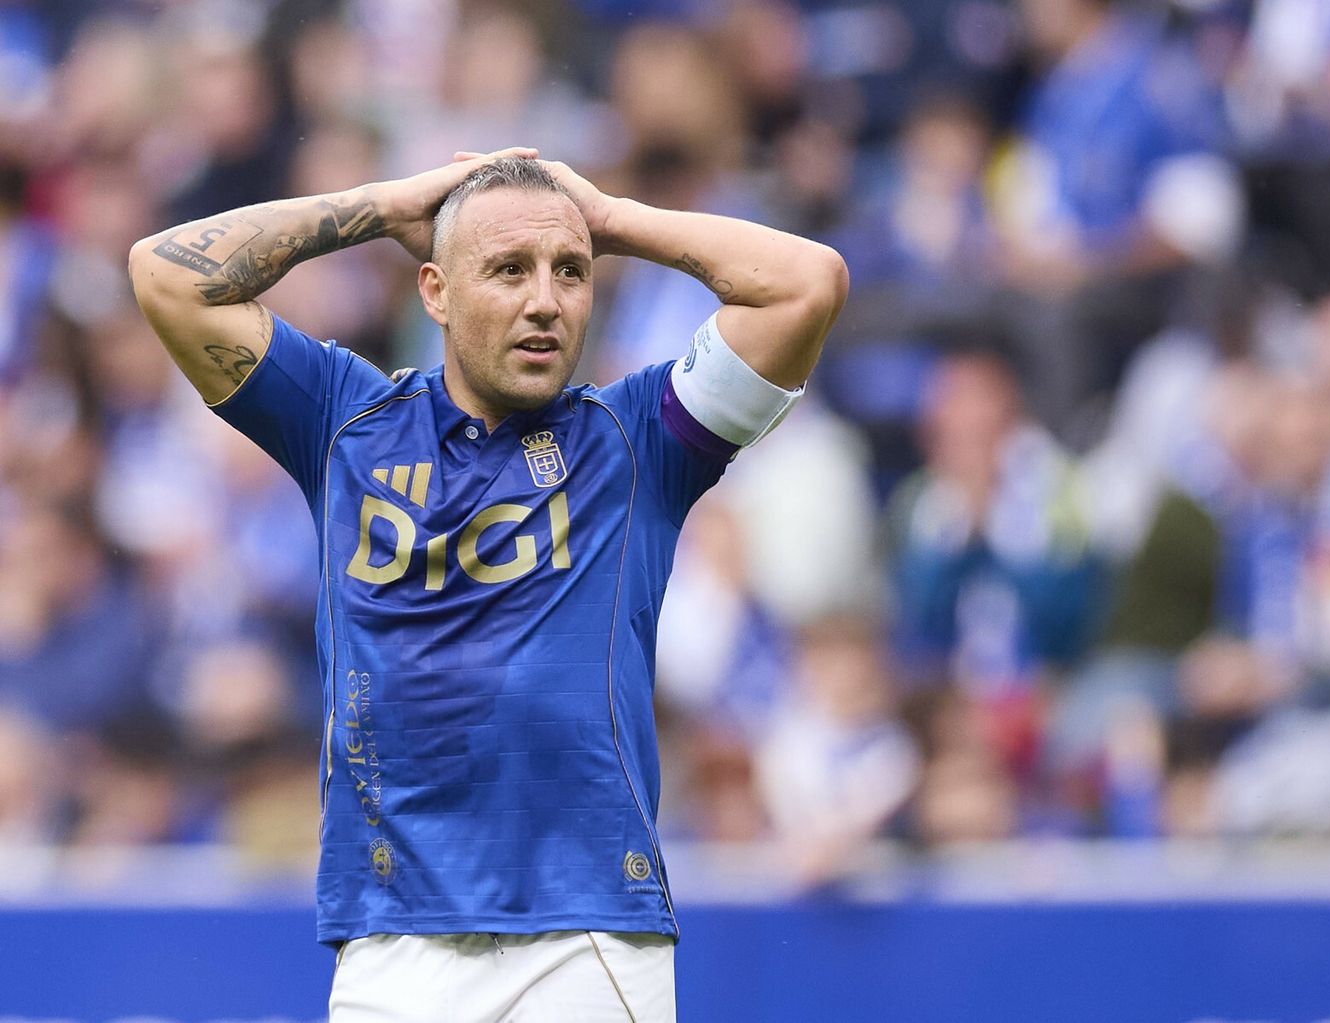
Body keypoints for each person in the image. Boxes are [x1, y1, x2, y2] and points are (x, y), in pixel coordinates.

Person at [127, 149, 847, 1020]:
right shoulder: (342, 421)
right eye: (509, 269)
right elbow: (166, 274)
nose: (545, 300)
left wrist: (612, 218)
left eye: (570, 271)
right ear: (435, 291)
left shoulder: (639, 442)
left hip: (586, 937)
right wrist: (384, 204)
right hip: (389, 938)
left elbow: (807, 283)